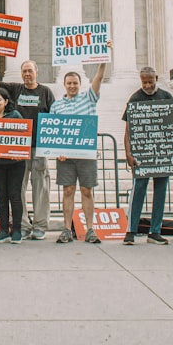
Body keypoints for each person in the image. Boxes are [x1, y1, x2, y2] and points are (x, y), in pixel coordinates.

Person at [0, 53, 55, 240]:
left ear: (36, 72)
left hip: (39, 147)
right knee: (19, 189)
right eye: (24, 71)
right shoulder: (15, 89)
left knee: (41, 187)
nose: (27, 74)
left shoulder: (46, 92)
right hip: (18, 150)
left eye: (30, 71)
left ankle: (40, 225)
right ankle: (23, 225)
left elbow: (55, 118)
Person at [51, 52, 108, 245]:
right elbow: (53, 131)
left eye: (75, 83)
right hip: (66, 156)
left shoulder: (89, 98)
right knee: (68, 190)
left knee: (86, 190)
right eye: (69, 83)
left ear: (80, 84)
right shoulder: (57, 106)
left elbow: (99, 77)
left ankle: (89, 229)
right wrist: (57, 150)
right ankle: (67, 229)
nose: (73, 86)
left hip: (86, 154)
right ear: (64, 85)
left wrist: (103, 58)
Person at [122, 67, 173, 245]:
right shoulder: (135, 98)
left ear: (156, 78)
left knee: (160, 192)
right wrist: (128, 154)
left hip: (162, 154)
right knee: (138, 190)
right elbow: (128, 130)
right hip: (143, 155)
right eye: (144, 82)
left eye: (150, 81)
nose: (147, 85)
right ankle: (131, 230)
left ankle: (155, 231)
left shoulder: (167, 97)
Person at [0, 88, 25, 244]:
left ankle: (16, 230)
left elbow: (24, 135)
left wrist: (20, 152)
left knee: (15, 196)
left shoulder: (15, 116)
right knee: (2, 197)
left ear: (6, 102)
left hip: (16, 163)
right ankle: (3, 230)